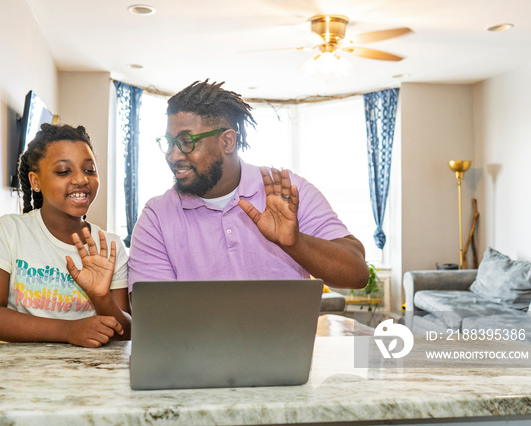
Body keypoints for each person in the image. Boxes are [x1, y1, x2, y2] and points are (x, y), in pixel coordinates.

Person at [128, 80, 369, 291]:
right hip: (192, 345)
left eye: (186, 142)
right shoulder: (156, 217)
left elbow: (357, 274)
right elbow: (154, 314)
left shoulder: (286, 191)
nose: (173, 156)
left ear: (228, 141)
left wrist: (295, 243)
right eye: (169, 143)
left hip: (285, 344)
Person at [0, 123, 130, 348]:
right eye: (64, 171)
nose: (81, 179)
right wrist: (68, 330)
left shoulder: (110, 246)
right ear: (35, 181)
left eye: (89, 170)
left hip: (88, 375)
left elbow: (127, 334)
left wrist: (101, 297)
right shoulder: (8, 231)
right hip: (17, 374)